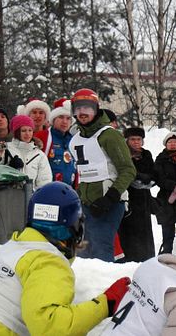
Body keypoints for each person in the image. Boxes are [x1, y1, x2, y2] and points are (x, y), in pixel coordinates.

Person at [0, 181, 132, 335]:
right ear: (75, 226)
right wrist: (106, 303)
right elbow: (51, 328)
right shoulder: (48, 262)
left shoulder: (10, 249)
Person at [68, 88, 136, 262]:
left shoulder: (109, 135)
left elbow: (128, 170)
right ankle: (87, 287)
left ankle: (105, 286)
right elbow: (83, 173)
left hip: (110, 202)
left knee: (101, 246)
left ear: (96, 109)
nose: (82, 113)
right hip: (87, 204)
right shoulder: (75, 139)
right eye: (78, 108)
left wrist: (110, 197)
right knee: (84, 250)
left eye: (87, 108)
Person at [119, 127, 156, 262]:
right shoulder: (123, 154)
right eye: (133, 139)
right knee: (129, 227)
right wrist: (138, 177)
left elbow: (153, 172)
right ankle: (130, 257)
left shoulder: (146, 154)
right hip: (129, 195)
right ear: (127, 140)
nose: (136, 142)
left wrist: (147, 180)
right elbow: (125, 171)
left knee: (145, 229)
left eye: (139, 139)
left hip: (144, 195)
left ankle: (147, 257)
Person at [0, 115, 53, 190]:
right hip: (8, 197)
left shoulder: (39, 155)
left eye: (30, 130)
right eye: (23, 131)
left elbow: (45, 181)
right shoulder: (5, 149)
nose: (27, 134)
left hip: (31, 198)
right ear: (17, 132)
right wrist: (9, 167)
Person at [47, 98, 77, 186]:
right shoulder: (45, 137)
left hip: (71, 190)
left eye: (68, 118)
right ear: (53, 119)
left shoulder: (74, 140)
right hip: (50, 188)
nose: (64, 122)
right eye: (61, 117)